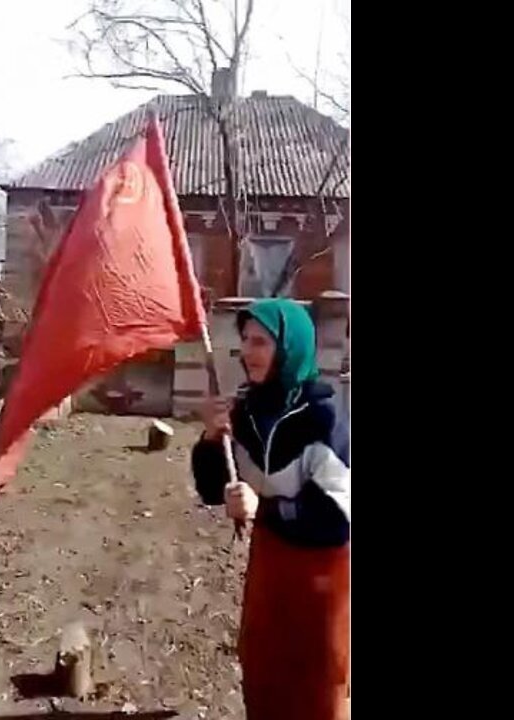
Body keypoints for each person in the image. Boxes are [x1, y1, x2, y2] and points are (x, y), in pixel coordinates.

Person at [192, 298, 350, 720]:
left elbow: (335, 519)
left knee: (317, 676)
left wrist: (263, 508)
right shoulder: (246, 411)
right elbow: (212, 489)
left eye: (261, 341)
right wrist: (211, 440)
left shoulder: (323, 419)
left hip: (322, 576)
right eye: (245, 339)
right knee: (263, 664)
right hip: (269, 565)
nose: (248, 351)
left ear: (290, 347)